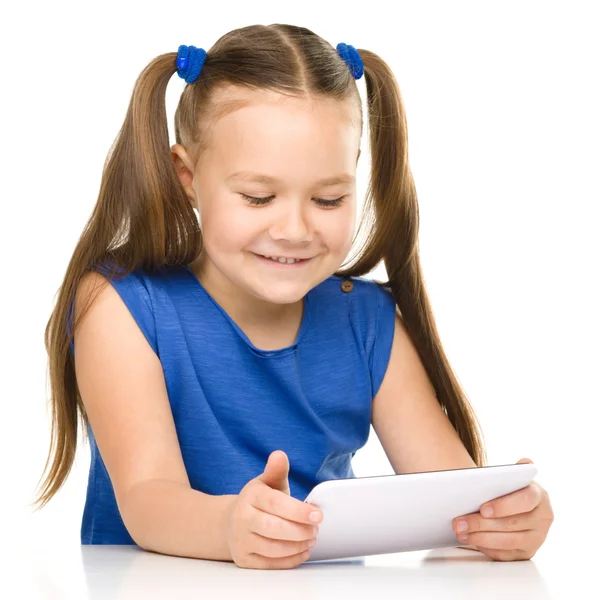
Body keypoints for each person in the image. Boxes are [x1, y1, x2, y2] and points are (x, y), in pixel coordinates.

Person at [31, 24, 553, 569]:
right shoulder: (122, 307)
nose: (295, 229)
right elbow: (147, 496)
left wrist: (504, 520)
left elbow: (453, 501)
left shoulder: (367, 320)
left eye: (328, 199)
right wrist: (231, 527)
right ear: (187, 176)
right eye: (259, 197)